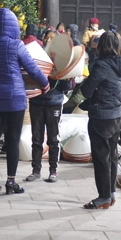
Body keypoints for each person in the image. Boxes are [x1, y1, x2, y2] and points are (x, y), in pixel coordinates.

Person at [0, 8, 47, 195]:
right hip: (15, 99)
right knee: (13, 140)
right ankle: (11, 181)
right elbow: (32, 68)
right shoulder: (17, 45)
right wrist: (45, 84)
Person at [80, 31, 121, 209]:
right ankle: (111, 193)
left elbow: (86, 91)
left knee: (101, 157)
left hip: (101, 117)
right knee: (112, 155)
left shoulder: (101, 66)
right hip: (116, 115)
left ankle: (104, 196)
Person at [27, 32, 72, 184]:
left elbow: (67, 87)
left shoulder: (62, 61)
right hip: (37, 102)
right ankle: (36, 170)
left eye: (51, 39)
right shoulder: (36, 59)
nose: (48, 40)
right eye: (46, 38)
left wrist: (67, 76)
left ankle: (53, 171)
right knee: (36, 138)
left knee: (53, 138)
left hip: (54, 102)